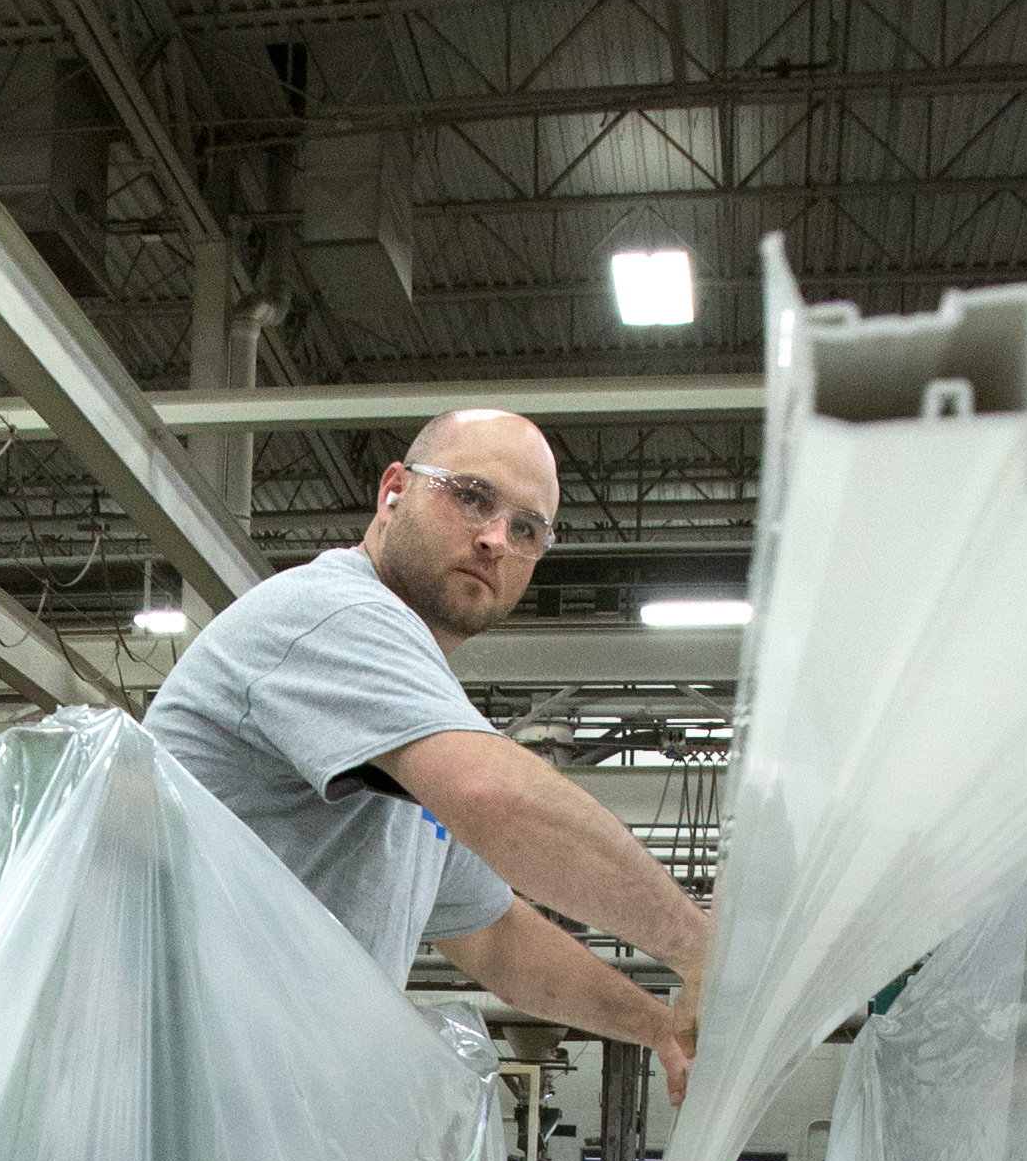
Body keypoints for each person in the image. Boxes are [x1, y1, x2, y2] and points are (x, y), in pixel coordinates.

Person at [145, 406, 710, 1083]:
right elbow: (494, 796)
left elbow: (495, 936)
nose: (496, 539)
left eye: (526, 528)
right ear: (393, 491)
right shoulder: (335, 614)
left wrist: (658, 1028)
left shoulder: (408, 719)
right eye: (472, 497)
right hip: (171, 1087)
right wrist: (700, 946)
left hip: (249, 1099)